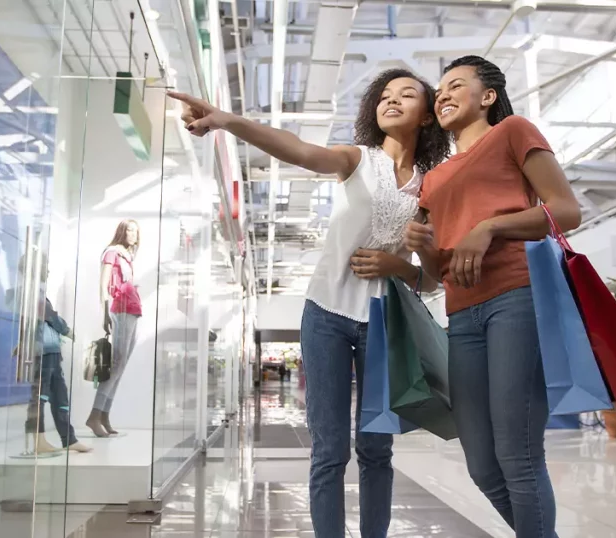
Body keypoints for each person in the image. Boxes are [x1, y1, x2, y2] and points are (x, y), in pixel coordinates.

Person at [170, 68, 449, 538]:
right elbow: (297, 150)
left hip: (386, 324)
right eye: (384, 95)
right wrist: (226, 121)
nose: (392, 100)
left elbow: (435, 277)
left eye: (407, 95)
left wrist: (396, 265)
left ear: (427, 117)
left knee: (377, 448)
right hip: (326, 317)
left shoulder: (432, 188)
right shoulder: (357, 159)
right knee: (330, 448)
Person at [404, 55, 582, 538]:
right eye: (438, 89)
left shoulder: (513, 132)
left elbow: (567, 211)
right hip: (462, 317)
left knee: (518, 456)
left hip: (517, 298)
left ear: (487, 97)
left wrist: (490, 227)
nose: (441, 94)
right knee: (483, 465)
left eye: (455, 85)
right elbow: (438, 277)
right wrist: (425, 252)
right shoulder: (434, 179)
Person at [11, 254, 91, 454]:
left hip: (50, 350)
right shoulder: (32, 292)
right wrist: (66, 330)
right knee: (40, 396)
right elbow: (47, 315)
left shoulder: (34, 291)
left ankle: (68, 439)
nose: (48, 270)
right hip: (44, 351)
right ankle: (39, 441)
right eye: (45, 266)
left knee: (59, 396)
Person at [86, 220, 143, 438]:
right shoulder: (112, 253)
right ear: (121, 232)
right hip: (120, 310)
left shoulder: (128, 257)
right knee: (116, 365)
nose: (133, 234)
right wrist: (104, 314)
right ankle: (94, 415)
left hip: (133, 310)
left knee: (120, 368)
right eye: (129, 230)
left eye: (135, 231)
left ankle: (104, 414)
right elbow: (103, 284)